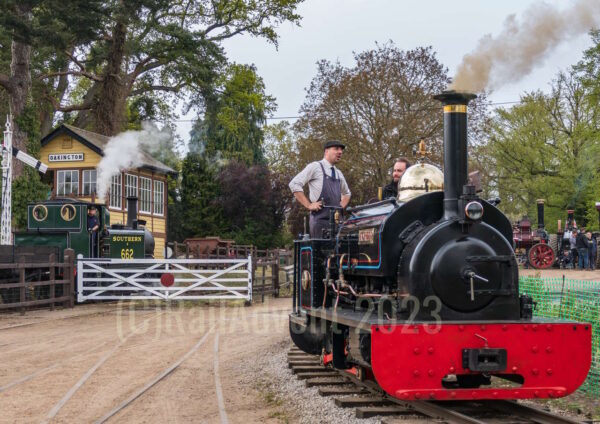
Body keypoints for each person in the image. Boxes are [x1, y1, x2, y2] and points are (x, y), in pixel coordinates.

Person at [289, 140, 351, 239]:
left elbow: (347, 194)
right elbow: (294, 184)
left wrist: (339, 207)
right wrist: (309, 205)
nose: (340, 152)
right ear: (326, 151)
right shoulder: (315, 167)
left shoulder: (339, 173)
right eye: (336, 149)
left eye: (341, 150)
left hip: (338, 225)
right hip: (320, 223)